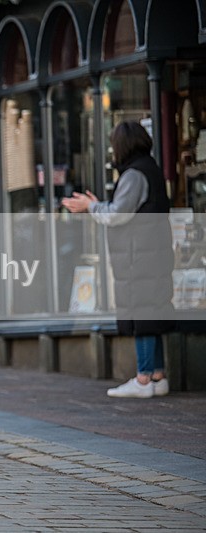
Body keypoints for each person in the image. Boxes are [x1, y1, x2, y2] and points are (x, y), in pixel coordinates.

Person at [62, 121, 174, 398]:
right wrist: (97, 205)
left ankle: (144, 379)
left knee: (142, 313)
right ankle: (158, 376)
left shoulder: (134, 174)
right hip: (151, 252)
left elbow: (117, 214)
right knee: (151, 309)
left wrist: (91, 206)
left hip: (139, 256)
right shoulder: (150, 168)